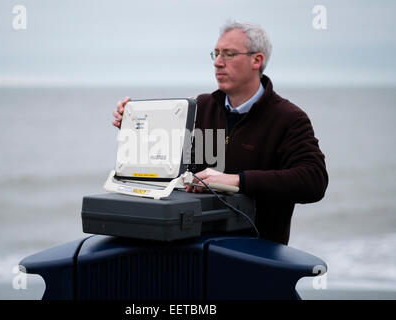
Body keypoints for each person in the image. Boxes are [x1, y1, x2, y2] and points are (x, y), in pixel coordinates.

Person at [112, 21, 328, 245]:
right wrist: (135, 127)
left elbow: (314, 181)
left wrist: (237, 180)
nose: (217, 63)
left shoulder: (288, 118)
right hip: (195, 248)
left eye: (229, 54)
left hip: (259, 254)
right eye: (216, 54)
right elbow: (167, 158)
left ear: (257, 60)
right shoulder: (201, 107)